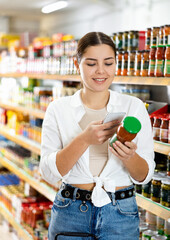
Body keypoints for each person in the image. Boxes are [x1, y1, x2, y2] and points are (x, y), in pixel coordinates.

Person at [40, 32, 155, 240]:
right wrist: (84, 140)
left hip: (121, 212)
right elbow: (49, 173)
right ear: (77, 65)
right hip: (71, 211)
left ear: (116, 65)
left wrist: (129, 157)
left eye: (108, 63)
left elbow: (143, 176)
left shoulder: (133, 106)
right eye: (91, 63)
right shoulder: (58, 109)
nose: (101, 71)